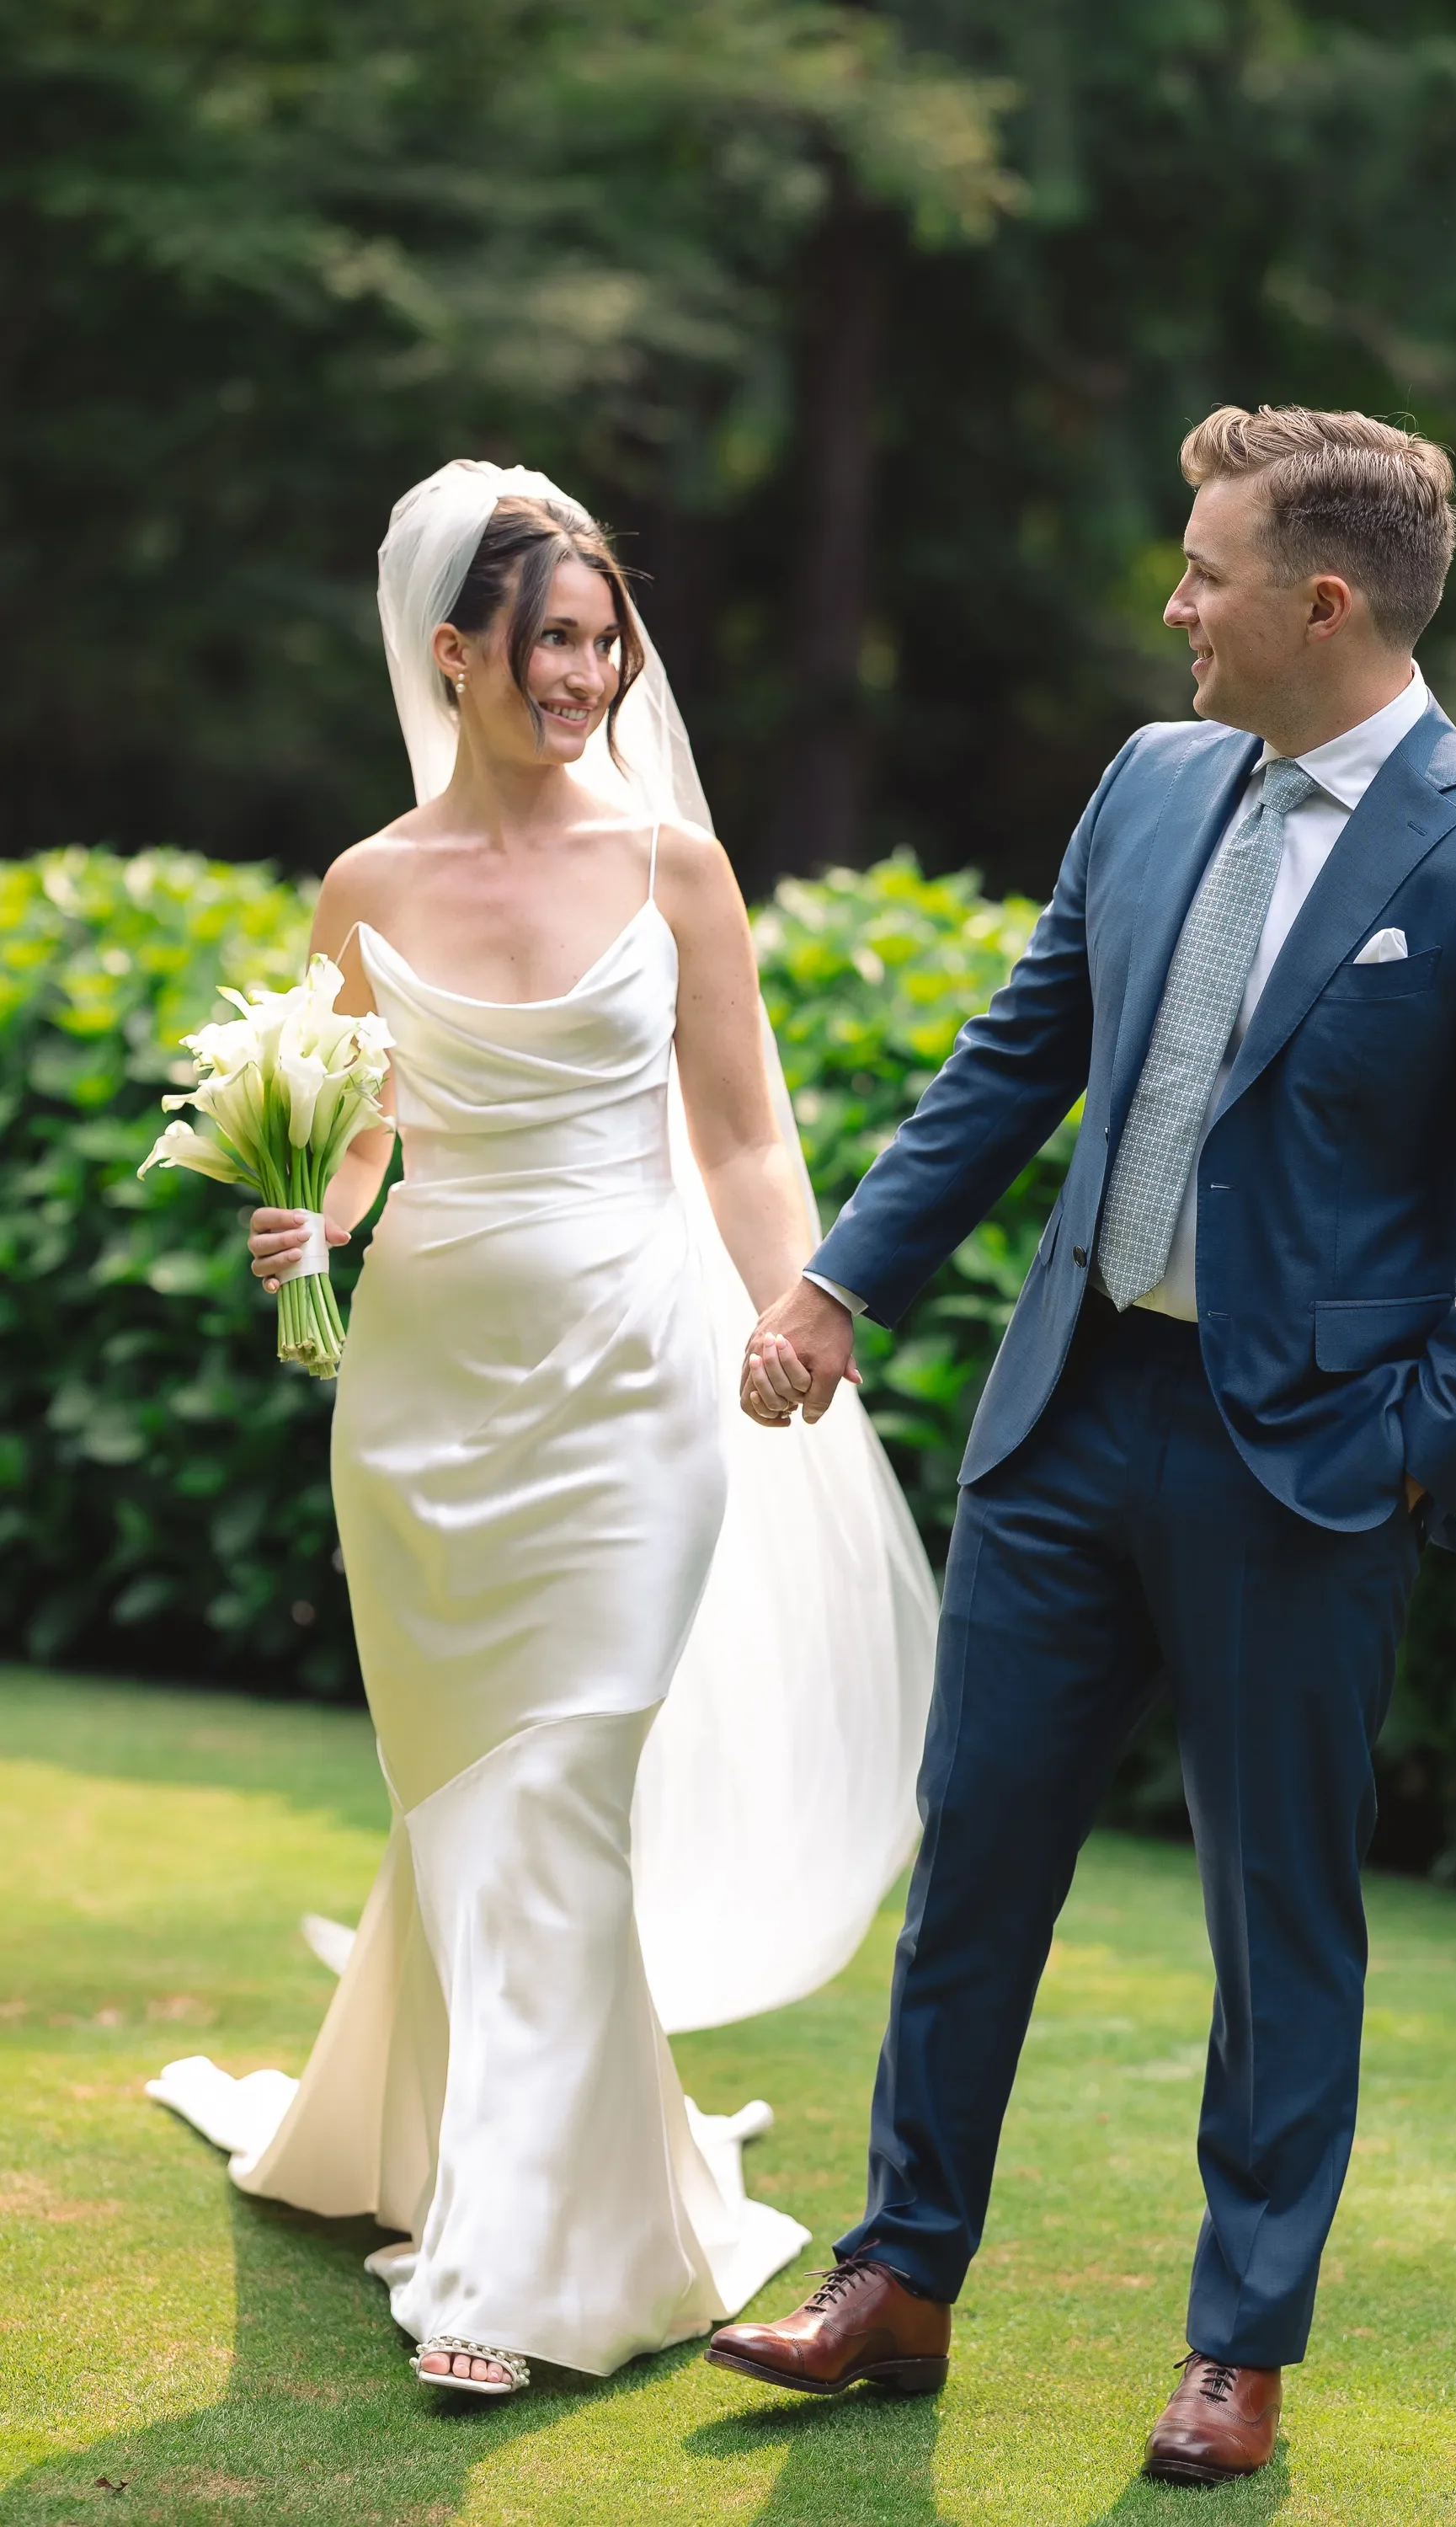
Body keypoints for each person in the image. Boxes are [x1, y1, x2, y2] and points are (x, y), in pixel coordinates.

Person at [710, 407, 1456, 2486]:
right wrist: (840, 1281)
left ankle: (1237, 2349)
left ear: (1323, 601)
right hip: (1065, 1422)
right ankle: (897, 2279)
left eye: (1204, 570)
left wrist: (1413, 1451)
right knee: (974, 1879)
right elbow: (1017, 1051)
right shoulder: (1147, 782)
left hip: (1305, 1478)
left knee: (1273, 1928)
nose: (1172, 602)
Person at [149, 459, 936, 2396]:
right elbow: (349, 1141)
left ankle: (502, 2274)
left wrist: (796, 1305)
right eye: (551, 641)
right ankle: (446, 2146)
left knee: (563, 1792)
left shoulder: (673, 868)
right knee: (465, 1811)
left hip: (633, 1381)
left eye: (604, 639)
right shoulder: (368, 885)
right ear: (455, 654)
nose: (585, 673)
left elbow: (744, 1131)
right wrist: (299, 1225)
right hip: (420, 1405)